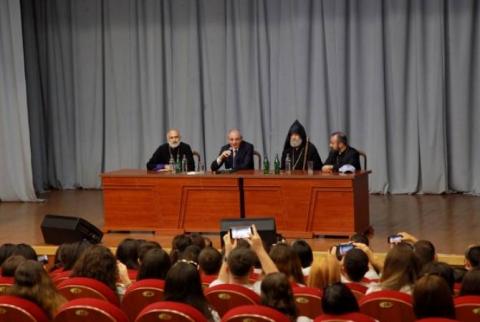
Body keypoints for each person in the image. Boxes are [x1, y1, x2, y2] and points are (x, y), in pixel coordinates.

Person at [210, 225, 278, 294]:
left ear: (227, 269)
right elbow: (277, 279)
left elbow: (221, 279)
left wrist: (228, 252)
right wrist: (259, 249)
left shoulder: (215, 288)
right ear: (252, 270)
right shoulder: (259, 290)